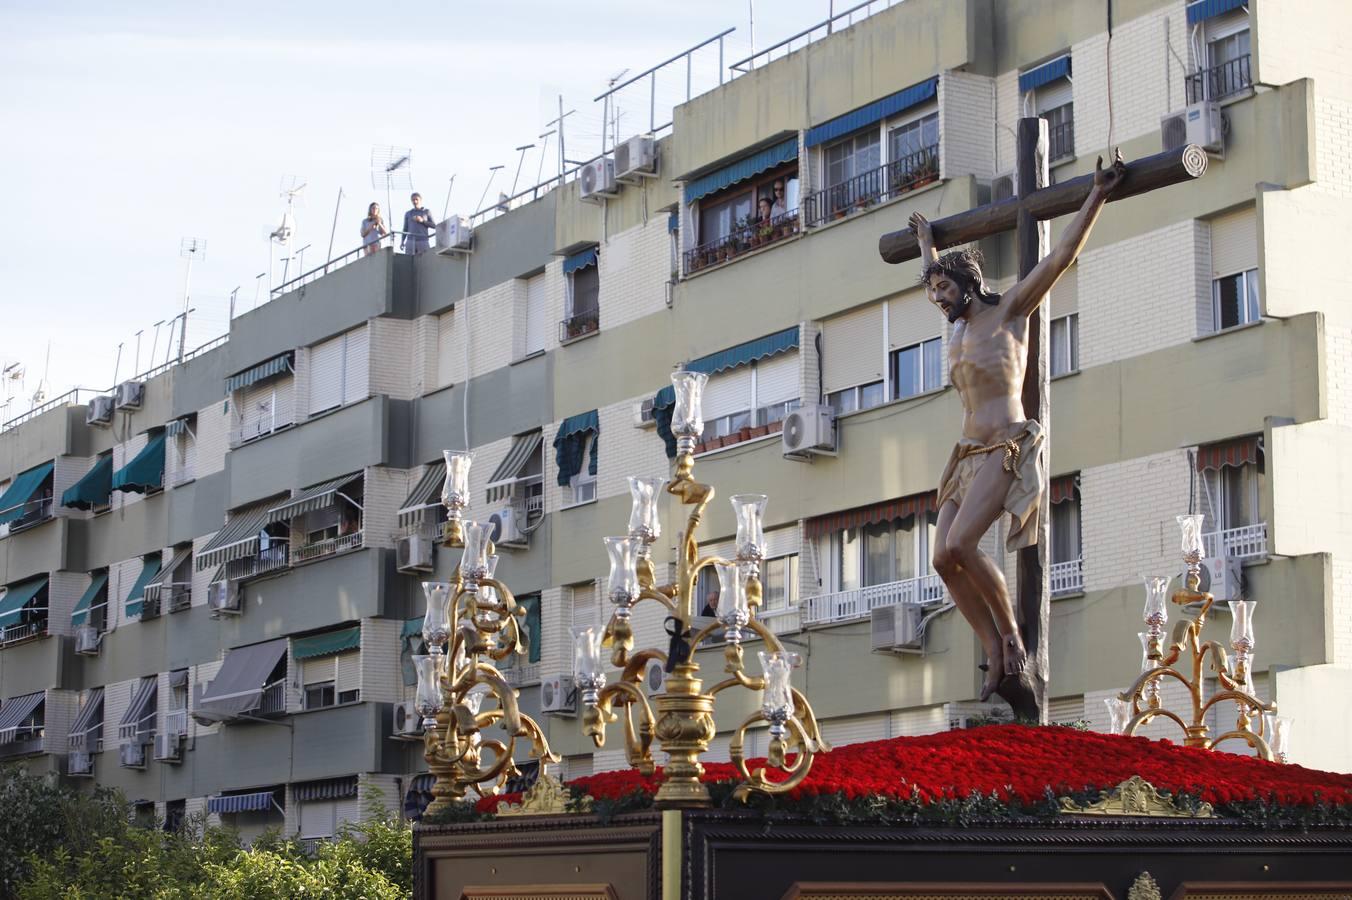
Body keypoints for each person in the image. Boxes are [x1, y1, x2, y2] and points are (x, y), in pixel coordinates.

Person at [909, 150, 1126, 704]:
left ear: (967, 283)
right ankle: (993, 657)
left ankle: (1013, 641)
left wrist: (1096, 194)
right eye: (931, 291)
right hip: (965, 454)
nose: (937, 300)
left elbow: (1058, 257)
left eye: (943, 289)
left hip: (1006, 444)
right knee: (941, 557)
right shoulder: (956, 329)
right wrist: (927, 248)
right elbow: (939, 269)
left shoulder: (1008, 312)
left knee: (963, 542)